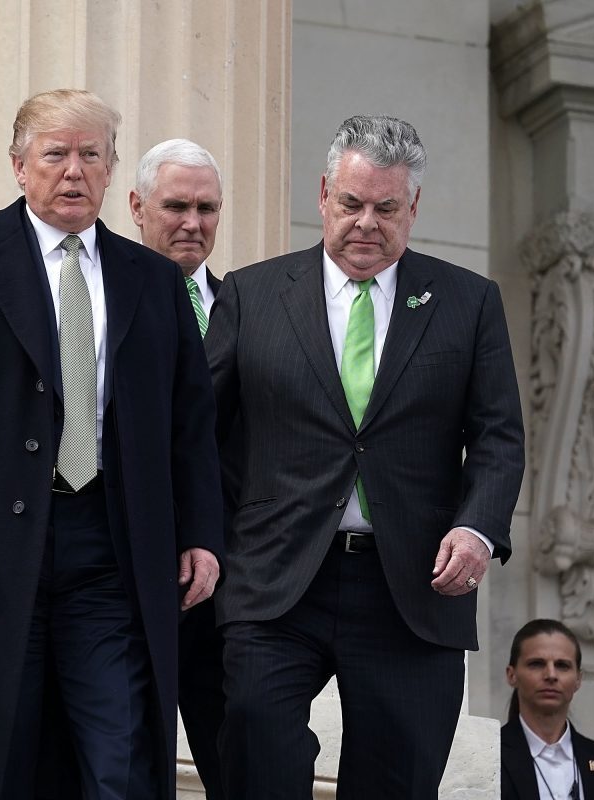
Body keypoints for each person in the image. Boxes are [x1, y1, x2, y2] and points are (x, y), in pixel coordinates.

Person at [0, 89, 224, 800]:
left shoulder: (153, 280)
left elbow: (189, 422)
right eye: (56, 154)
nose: (74, 171)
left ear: (112, 172)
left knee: (118, 755)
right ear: (18, 165)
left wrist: (201, 535)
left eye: (90, 155)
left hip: (111, 550)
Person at [204, 114, 526, 798]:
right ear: (323, 195)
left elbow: (498, 435)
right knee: (257, 742)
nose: (365, 223)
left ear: (413, 208)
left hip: (411, 586)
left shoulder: (468, 303)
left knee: (398, 781)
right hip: (275, 580)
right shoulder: (252, 295)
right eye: (350, 204)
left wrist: (476, 529)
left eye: (385, 208)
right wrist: (204, 540)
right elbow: (200, 433)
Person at [129, 137, 226, 799]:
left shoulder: (252, 305)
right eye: (175, 206)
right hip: (126, 567)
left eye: (207, 208)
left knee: (236, 755)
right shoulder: (99, 299)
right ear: (136, 206)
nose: (192, 222)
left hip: (230, 581)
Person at [502, 619, 594, 799]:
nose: (551, 675)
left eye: (562, 665)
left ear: (578, 679)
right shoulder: (490, 755)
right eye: (536, 664)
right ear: (512, 675)